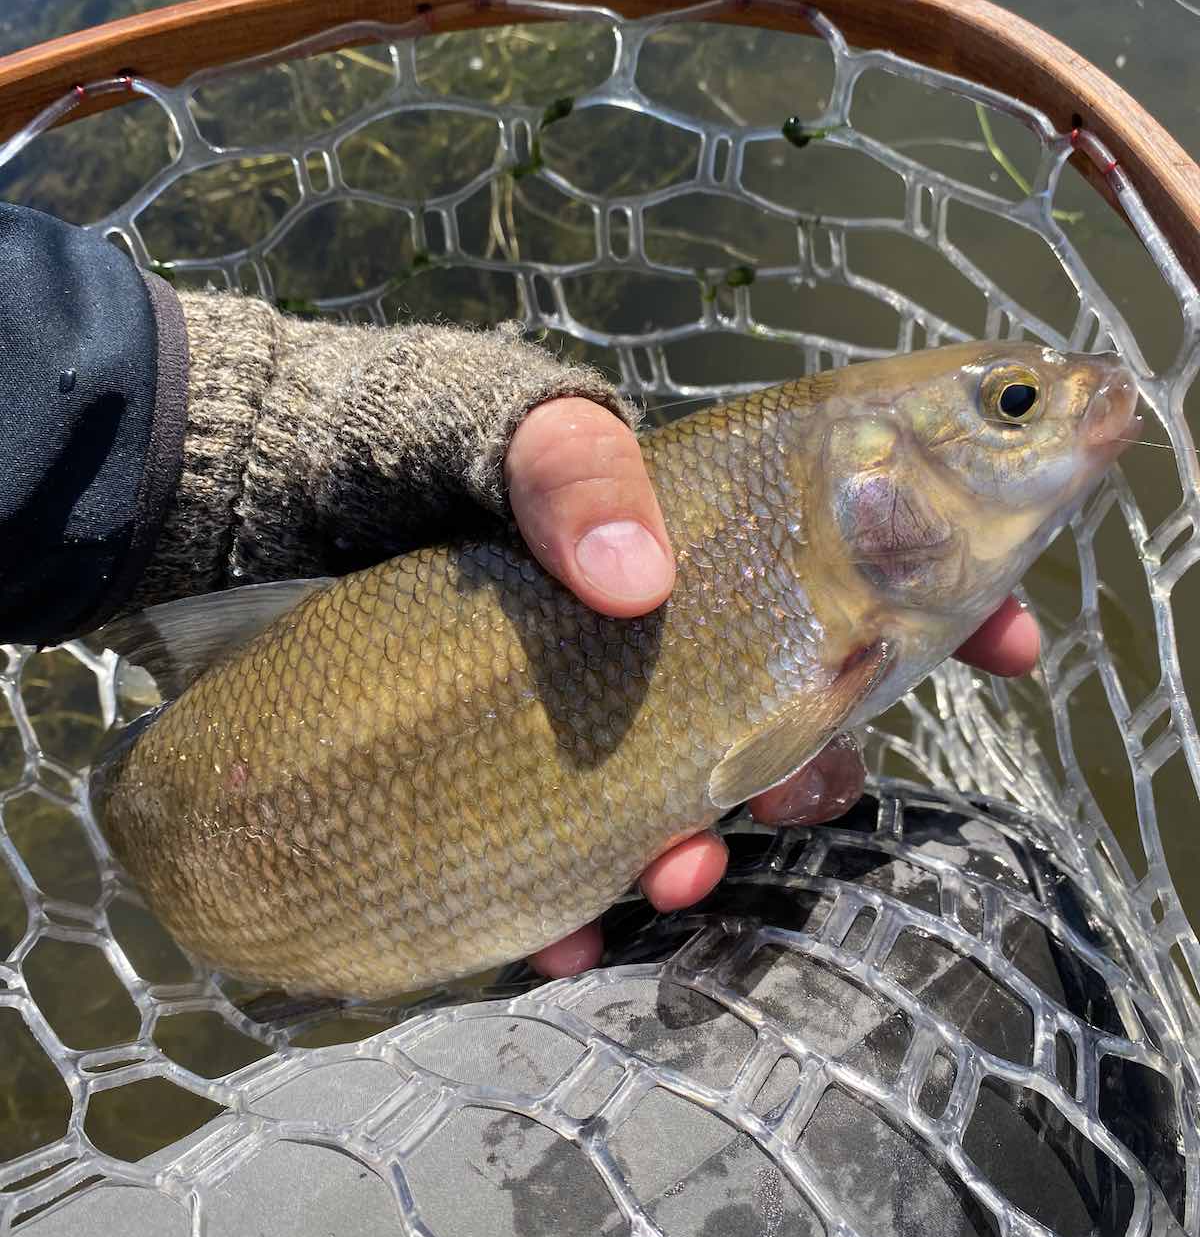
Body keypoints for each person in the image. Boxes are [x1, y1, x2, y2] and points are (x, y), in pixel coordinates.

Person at [0, 202, 1037, 977]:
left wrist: (223, 455)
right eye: (1014, 405)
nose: (1064, 410)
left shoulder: (874, 587)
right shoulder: (860, 594)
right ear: (869, 476)